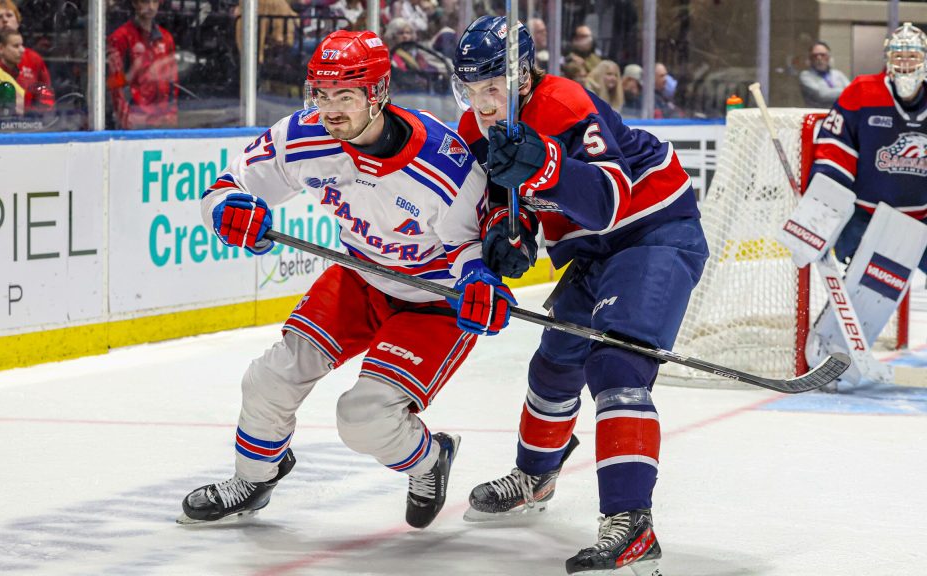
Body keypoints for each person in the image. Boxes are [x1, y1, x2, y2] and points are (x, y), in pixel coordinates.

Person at [179, 30, 515, 531]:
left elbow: (469, 250)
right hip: (360, 278)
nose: (330, 110)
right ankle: (254, 479)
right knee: (270, 378)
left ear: (377, 94)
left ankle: (430, 460)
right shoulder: (304, 135)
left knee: (363, 416)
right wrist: (226, 210)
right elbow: (228, 186)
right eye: (322, 94)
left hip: (434, 300)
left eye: (346, 96)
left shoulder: (441, 165)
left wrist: (480, 282)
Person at [452, 16, 708, 574]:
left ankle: (630, 521)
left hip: (653, 231)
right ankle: (536, 477)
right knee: (555, 365)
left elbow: (607, 203)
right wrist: (507, 231)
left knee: (615, 362)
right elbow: (502, 199)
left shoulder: (564, 104)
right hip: (592, 251)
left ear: (522, 76)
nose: (482, 103)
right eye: (469, 90)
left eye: (492, 87)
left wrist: (545, 163)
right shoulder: (475, 129)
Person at [792, 23, 927, 380]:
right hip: (866, 219)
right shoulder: (861, 93)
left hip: (922, 221)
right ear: (887, 59)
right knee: (862, 291)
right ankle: (832, 351)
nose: (905, 64)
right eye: (898, 56)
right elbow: (834, 151)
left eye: (912, 56)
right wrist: (822, 209)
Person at [106, 0, 178, 129]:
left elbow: (172, 82)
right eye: (145, 2)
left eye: (155, 2)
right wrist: (125, 118)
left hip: (161, 120)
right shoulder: (120, 37)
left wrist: (171, 113)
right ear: (134, 3)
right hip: (135, 121)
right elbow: (114, 85)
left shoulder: (166, 39)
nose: (150, 7)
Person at [0, 0, 52, 92]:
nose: (5, 20)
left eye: (9, 15)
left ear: (18, 21)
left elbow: (46, 94)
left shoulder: (33, 58)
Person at [798, 40, 850, 108]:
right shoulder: (806, 76)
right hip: (818, 116)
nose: (819, 58)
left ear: (829, 57)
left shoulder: (838, 74)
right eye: (815, 55)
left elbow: (853, 92)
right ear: (810, 59)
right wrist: (845, 92)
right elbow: (821, 95)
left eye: (823, 55)